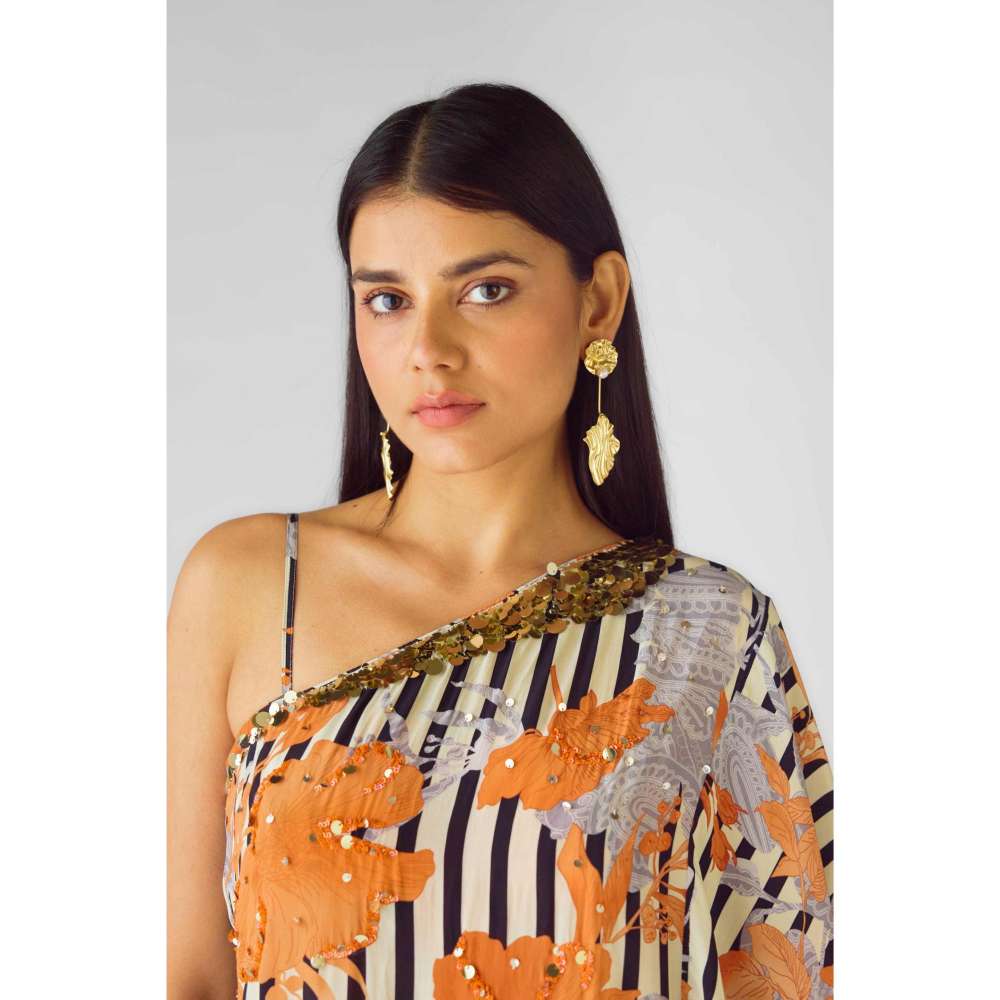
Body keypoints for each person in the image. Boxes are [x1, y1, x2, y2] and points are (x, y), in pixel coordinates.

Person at [167, 82, 833, 1000]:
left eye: (485, 290)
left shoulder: (711, 631)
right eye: (387, 300)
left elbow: (791, 973)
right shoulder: (247, 583)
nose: (428, 350)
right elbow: (188, 975)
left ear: (598, 301)